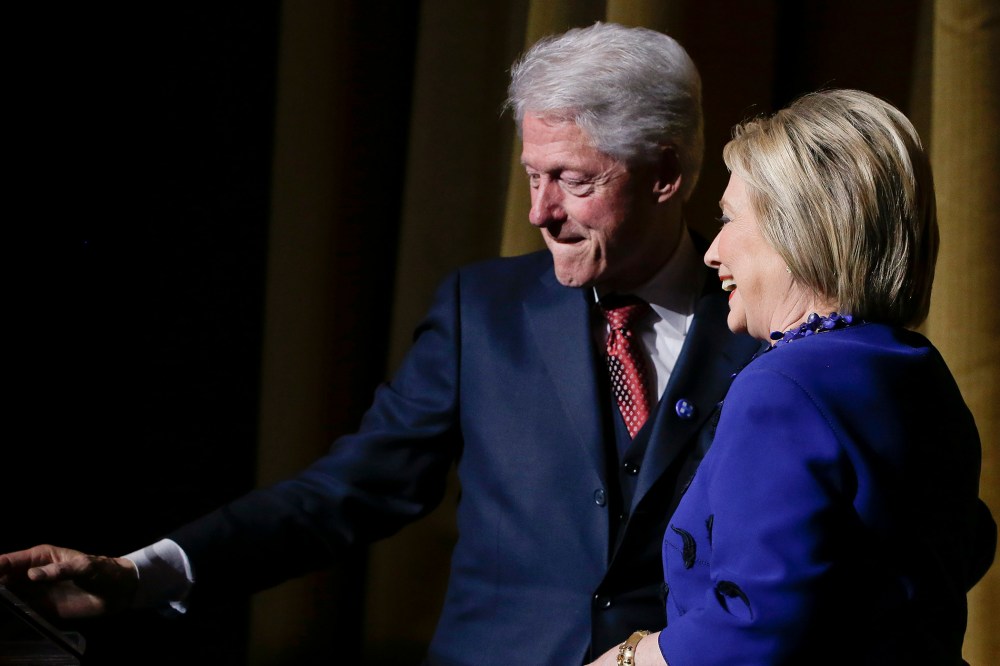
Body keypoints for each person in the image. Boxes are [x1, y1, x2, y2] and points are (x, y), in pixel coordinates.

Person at [0, 22, 760, 664]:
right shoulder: (482, 311)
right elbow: (349, 490)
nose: (540, 211)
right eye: (532, 175)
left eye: (572, 180)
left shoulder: (767, 326)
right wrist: (142, 574)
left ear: (664, 172)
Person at [589, 88, 997, 665]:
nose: (712, 252)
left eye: (729, 219)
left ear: (798, 230)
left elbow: (754, 623)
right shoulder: (919, 369)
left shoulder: (781, 388)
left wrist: (631, 659)